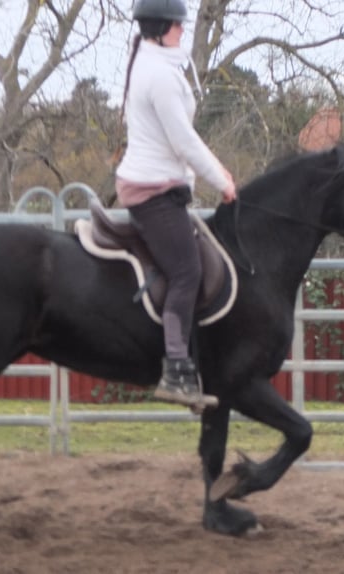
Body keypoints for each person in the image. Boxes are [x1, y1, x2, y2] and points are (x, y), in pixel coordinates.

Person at [115, 0, 237, 407]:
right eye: (179, 25)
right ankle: (177, 370)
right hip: (152, 191)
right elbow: (183, 140)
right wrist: (221, 180)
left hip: (161, 186)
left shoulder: (155, 65)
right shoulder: (160, 76)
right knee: (187, 272)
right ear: (164, 27)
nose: (184, 30)